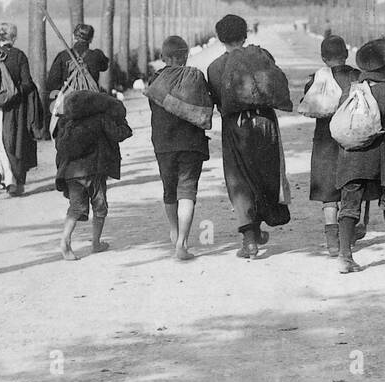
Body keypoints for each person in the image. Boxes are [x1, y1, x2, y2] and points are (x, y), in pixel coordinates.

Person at [205, 14, 286, 259]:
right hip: (265, 122)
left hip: (235, 126)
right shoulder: (263, 57)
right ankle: (260, 225)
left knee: (240, 179)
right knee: (265, 173)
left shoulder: (215, 67)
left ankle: (250, 239)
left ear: (220, 38)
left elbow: (218, 100)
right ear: (246, 33)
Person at [335, 39, 385, 273]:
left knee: (349, 203)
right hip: (381, 155)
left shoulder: (351, 88)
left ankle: (345, 257)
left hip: (351, 156)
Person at [148, 36, 210, 261]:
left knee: (169, 190)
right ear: (186, 55)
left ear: (163, 57)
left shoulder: (155, 80)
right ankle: (182, 242)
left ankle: (174, 231)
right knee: (187, 191)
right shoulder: (196, 77)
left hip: (163, 144)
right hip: (191, 144)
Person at [54, 89, 132, 260]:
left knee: (75, 208)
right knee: (100, 206)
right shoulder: (100, 118)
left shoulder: (66, 122)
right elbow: (119, 134)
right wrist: (125, 126)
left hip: (71, 172)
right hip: (94, 170)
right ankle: (96, 243)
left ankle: (65, 240)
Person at [303, 35, 362, 257]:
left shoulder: (316, 79)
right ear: (346, 54)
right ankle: (349, 233)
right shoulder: (356, 76)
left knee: (328, 192)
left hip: (324, 141)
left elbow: (307, 104)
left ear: (323, 57)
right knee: (349, 187)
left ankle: (332, 242)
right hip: (352, 140)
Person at [0, 22, 43, 198]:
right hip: (13, 109)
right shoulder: (18, 56)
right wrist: (14, 94)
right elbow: (27, 83)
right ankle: (12, 182)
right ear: (13, 37)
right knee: (13, 143)